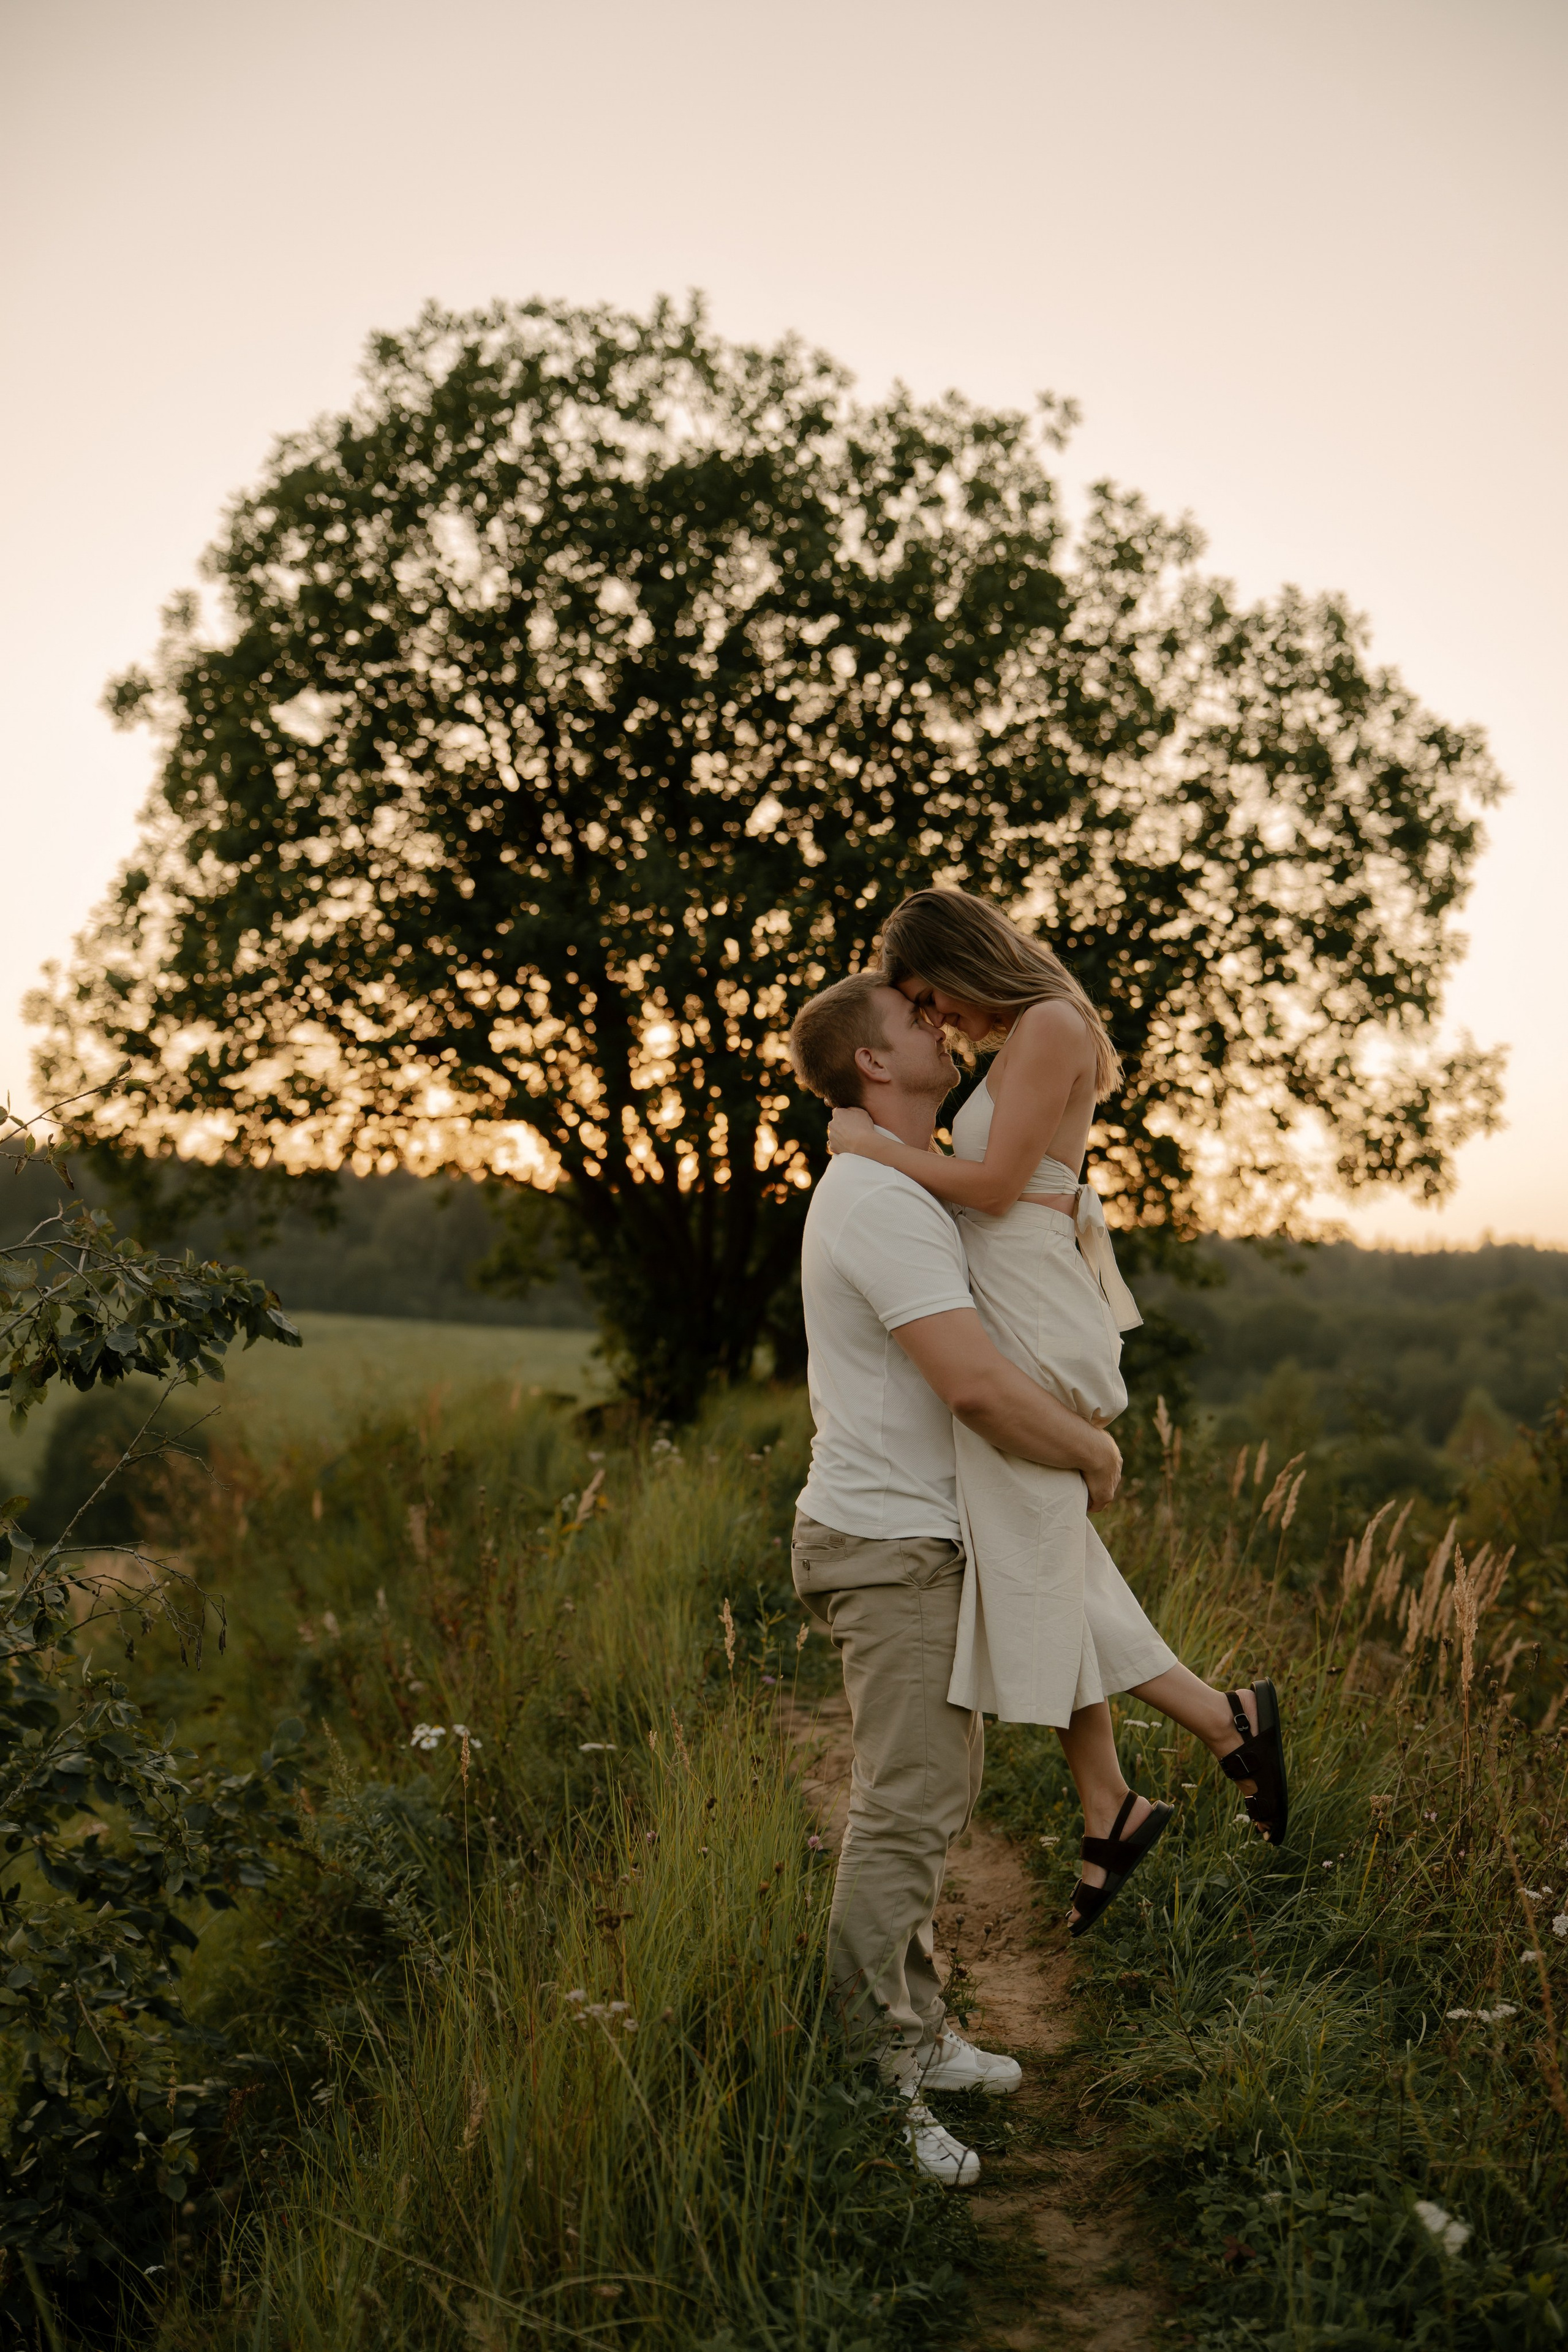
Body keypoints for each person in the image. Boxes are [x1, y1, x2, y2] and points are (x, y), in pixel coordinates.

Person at [826, 888, 1288, 1940]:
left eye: (922, 995)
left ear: (954, 960)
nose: (929, 1018)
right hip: (1023, 1290)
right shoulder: (1025, 1035)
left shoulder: (1048, 1023)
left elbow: (989, 1189)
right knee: (1031, 1544)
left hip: (1033, 1294)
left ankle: (1208, 1732)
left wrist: (870, 1147)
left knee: (1025, 1546)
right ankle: (1120, 1791)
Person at [786, 968, 1125, 2188]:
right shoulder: (874, 1199)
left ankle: (917, 2036)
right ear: (872, 1066)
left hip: (914, 1538)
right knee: (904, 1807)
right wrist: (1089, 1449)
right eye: (912, 1022)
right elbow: (972, 1385)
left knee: (933, 1791)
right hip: (886, 1546)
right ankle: (871, 2079)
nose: (939, 1026)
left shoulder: (898, 1180)